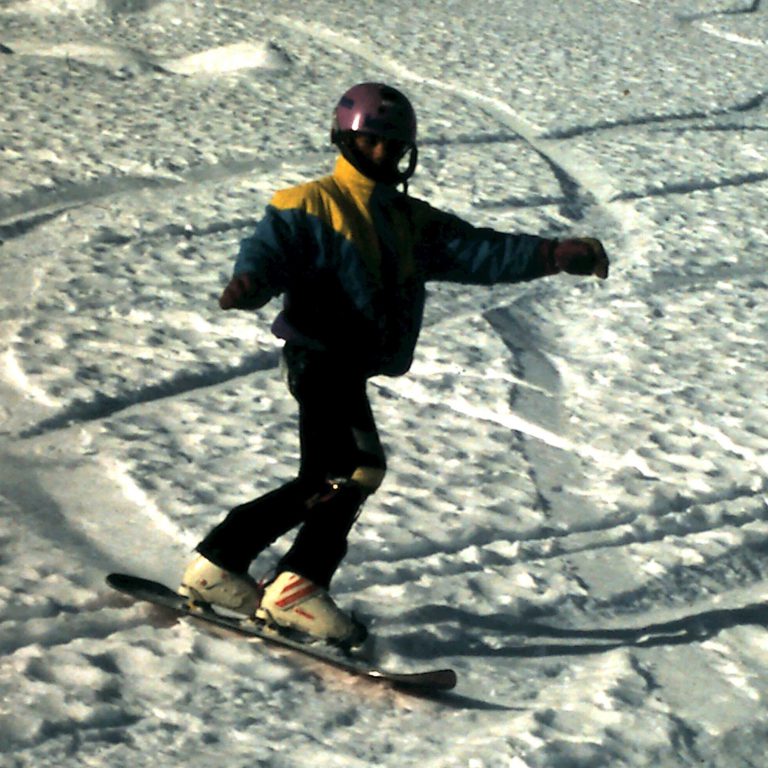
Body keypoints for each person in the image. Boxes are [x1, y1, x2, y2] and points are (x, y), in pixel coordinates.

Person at [179, 82, 609, 646]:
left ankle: (222, 566)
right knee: (352, 470)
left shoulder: (408, 219)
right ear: (346, 140)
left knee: (329, 475)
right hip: (318, 356)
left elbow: (479, 250)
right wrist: (254, 281)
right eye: (373, 143)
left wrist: (554, 255)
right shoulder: (308, 203)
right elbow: (270, 249)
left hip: (347, 363)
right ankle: (293, 587)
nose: (383, 155)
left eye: (394, 147)